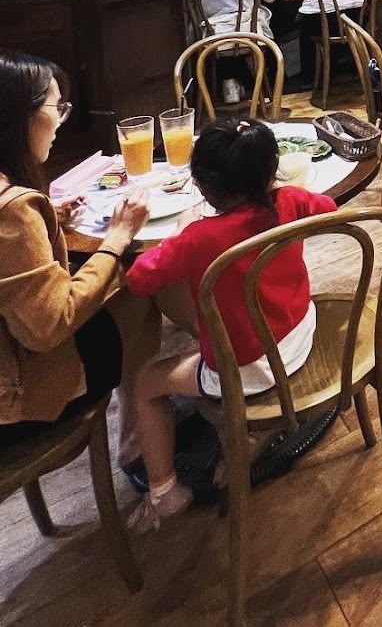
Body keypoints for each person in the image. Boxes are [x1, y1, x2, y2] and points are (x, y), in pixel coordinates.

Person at [124, 118, 336, 531]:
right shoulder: (289, 200)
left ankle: (165, 492)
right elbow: (327, 209)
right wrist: (282, 195)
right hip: (298, 335)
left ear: (204, 188)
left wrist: (180, 233)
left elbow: (138, 280)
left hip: (252, 371)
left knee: (146, 382)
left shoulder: (199, 237)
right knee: (215, 317)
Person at [0, 51, 151, 451]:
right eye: (57, 109)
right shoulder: (12, 212)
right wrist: (117, 237)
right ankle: (140, 438)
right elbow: (52, 325)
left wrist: (46, 218)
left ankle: (140, 429)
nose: (60, 123)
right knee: (139, 293)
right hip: (15, 405)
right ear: (19, 115)